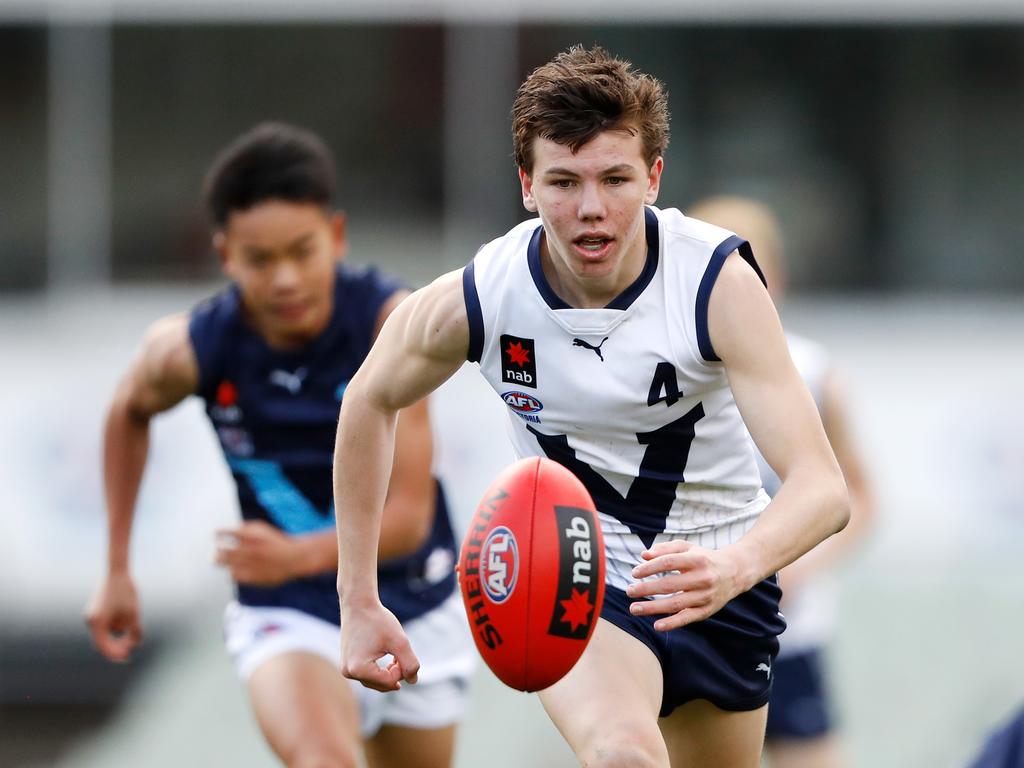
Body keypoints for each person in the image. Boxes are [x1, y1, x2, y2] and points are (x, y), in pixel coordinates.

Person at [333, 46, 849, 767]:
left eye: (614, 178)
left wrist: (738, 566)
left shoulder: (717, 283)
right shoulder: (484, 295)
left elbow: (824, 489)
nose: (590, 209)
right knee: (624, 755)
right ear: (526, 185)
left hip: (719, 578)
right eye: (563, 182)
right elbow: (367, 399)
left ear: (654, 177)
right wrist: (357, 600)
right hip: (579, 569)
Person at [84, 122, 474, 768]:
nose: (286, 279)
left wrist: (292, 554)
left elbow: (406, 520)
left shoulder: (391, 326)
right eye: (261, 260)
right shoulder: (191, 350)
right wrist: (117, 568)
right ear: (225, 256)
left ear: (337, 236)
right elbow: (128, 410)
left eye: (303, 250)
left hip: (410, 597)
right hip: (290, 610)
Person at [688, 196, 875, 768]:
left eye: (751, 277)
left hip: (789, 631)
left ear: (779, 282)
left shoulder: (813, 375)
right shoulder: (665, 373)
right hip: (687, 626)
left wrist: (798, 562)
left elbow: (859, 498)